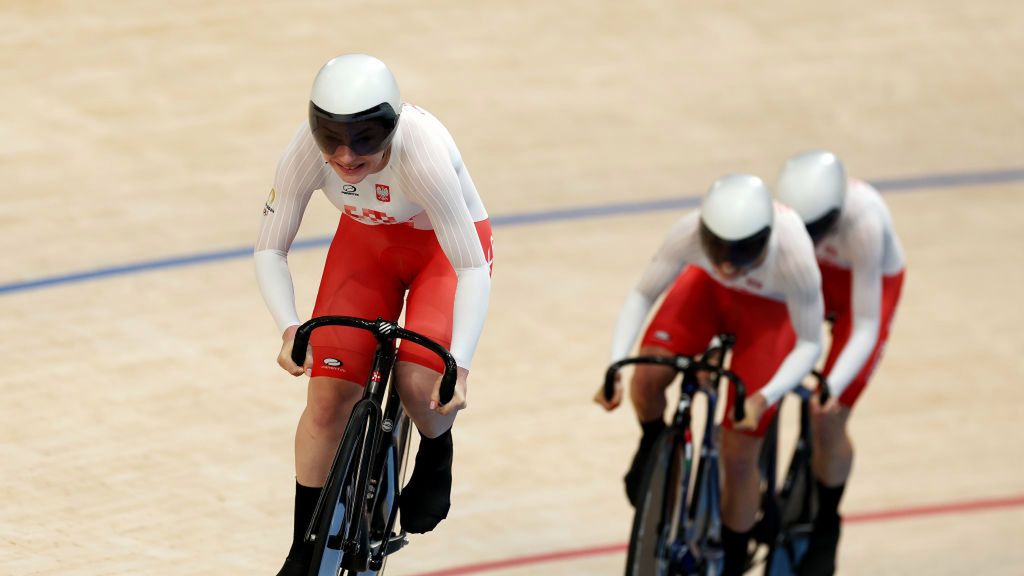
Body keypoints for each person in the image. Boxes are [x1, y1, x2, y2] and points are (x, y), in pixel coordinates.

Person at [254, 54, 493, 576]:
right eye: (332, 138)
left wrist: (462, 366)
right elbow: (269, 249)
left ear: (392, 124)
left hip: (444, 252)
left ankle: (436, 449)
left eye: (364, 138)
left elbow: (472, 267)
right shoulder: (305, 150)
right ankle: (303, 548)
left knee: (419, 379)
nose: (346, 156)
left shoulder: (422, 152)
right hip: (367, 243)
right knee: (326, 398)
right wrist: (290, 327)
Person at [595, 174, 824, 576]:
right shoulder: (688, 232)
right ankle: (653, 445)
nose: (725, 263)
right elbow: (643, 294)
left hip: (769, 315)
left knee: (738, 448)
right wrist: (615, 363)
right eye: (717, 248)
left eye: (741, 253)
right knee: (646, 377)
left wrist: (763, 397)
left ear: (766, 238)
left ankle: (734, 559)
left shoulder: (794, 252)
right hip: (708, 292)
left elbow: (810, 343)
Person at [775, 150, 905, 575]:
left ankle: (827, 523)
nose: (807, 234)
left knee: (827, 417)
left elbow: (865, 323)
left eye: (815, 228)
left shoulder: (864, 219)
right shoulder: (787, 216)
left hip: (863, 290)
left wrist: (832, 386)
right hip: (809, 276)